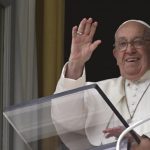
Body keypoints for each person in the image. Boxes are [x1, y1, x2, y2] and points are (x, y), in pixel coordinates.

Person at [51, 18, 150, 150]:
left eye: (138, 42)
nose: (130, 50)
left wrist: (142, 145)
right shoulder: (99, 90)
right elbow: (66, 119)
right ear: (115, 55)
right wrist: (75, 64)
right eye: (122, 44)